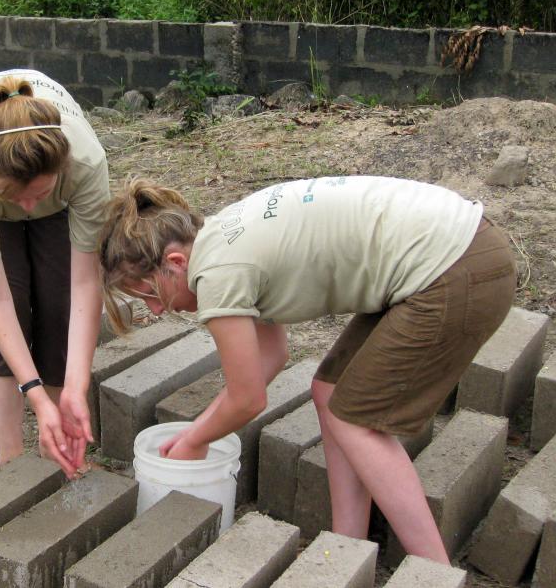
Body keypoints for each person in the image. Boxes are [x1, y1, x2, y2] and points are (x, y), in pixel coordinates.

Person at [97, 176, 515, 562]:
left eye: (149, 293)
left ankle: (433, 573)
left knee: (357, 422)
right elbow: (272, 356)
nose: (156, 309)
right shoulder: (222, 239)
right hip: (461, 247)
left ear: (174, 261)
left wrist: (194, 442)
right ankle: (347, 550)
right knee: (330, 393)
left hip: (456, 269)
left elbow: (248, 399)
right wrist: (196, 432)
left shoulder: (218, 273)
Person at [0, 69, 109, 478]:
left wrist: (75, 387)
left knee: (58, 300)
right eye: (19, 197)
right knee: (9, 304)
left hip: (59, 193)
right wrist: (34, 394)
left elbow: (86, 285)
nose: (29, 208)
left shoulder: (84, 164)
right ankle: (11, 458)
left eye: (40, 193)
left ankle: (59, 444)